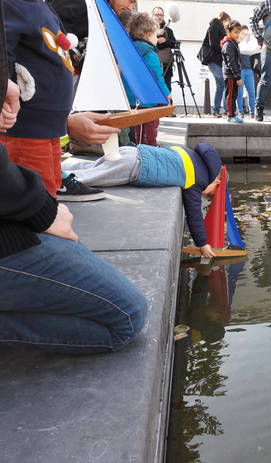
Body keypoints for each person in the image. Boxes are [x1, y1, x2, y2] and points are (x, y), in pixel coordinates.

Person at [0, 30, 148, 353]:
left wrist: (66, 122)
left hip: (17, 202)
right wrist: (40, 211)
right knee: (128, 316)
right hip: (14, 211)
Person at [61, 143, 223, 259]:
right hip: (135, 167)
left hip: (131, 151)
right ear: (214, 182)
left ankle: (59, 166)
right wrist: (202, 244)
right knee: (89, 179)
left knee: (91, 168)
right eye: (211, 193)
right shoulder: (197, 179)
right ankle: (55, 181)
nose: (205, 194)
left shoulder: (187, 152)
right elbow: (194, 213)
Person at [0, 0, 75, 197]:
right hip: (26, 125)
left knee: (50, 187)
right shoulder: (11, 4)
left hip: (49, 125)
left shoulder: (41, 6)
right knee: (34, 195)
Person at [126, 12, 171, 146]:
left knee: (136, 132)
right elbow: (157, 77)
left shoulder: (129, 50)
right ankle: (151, 150)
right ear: (147, 34)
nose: (156, 39)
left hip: (131, 101)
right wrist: (167, 94)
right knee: (150, 130)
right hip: (149, 102)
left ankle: (137, 149)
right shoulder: (150, 54)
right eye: (155, 35)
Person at [203, 11, 230, 118]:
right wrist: (223, 50)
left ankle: (217, 110)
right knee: (224, 84)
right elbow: (213, 44)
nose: (227, 24)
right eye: (227, 21)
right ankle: (225, 109)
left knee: (220, 86)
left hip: (216, 61)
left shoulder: (217, 28)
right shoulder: (214, 27)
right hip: (213, 60)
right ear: (224, 20)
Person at [221, 20, 244, 123]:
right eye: (235, 32)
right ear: (229, 32)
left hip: (233, 74)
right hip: (230, 75)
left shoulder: (233, 43)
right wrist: (238, 77)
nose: (237, 34)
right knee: (230, 95)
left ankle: (233, 114)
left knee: (234, 95)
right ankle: (230, 115)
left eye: (238, 32)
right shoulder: (228, 44)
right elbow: (231, 62)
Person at [237, 25, 261, 118]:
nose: (245, 36)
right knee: (239, 92)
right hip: (240, 70)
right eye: (244, 33)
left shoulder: (250, 43)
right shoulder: (237, 43)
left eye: (247, 34)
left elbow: (254, 53)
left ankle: (252, 112)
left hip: (249, 70)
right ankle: (240, 111)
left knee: (252, 92)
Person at [153, 6, 177, 95]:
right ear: (152, 16)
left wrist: (165, 41)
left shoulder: (168, 30)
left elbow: (174, 43)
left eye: (161, 15)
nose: (159, 17)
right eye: (157, 14)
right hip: (153, 66)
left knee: (167, 89)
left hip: (167, 66)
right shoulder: (148, 30)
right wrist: (155, 38)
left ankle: (168, 108)